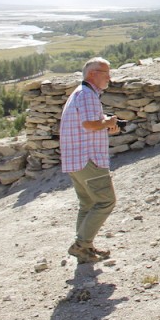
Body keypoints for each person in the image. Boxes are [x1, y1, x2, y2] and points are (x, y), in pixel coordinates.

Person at [59, 57, 120, 264]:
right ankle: (81, 245)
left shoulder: (78, 94)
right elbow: (90, 125)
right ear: (93, 74)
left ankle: (85, 249)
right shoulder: (87, 95)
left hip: (75, 160)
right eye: (106, 73)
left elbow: (92, 123)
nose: (109, 78)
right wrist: (108, 122)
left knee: (88, 203)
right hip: (89, 159)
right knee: (106, 201)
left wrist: (106, 123)